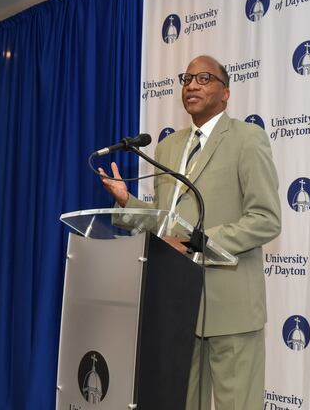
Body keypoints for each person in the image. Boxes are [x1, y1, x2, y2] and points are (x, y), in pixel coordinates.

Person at [99, 55, 281, 409]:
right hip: (179, 306)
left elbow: (266, 218)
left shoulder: (247, 139)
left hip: (232, 310)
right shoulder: (167, 148)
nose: (192, 85)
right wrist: (126, 203)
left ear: (225, 93)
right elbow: (167, 222)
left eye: (203, 78)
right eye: (186, 79)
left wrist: (199, 242)